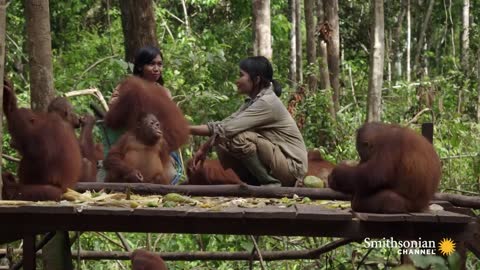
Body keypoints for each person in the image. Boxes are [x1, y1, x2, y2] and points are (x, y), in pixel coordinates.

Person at [189, 56, 308, 187]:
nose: (237, 81)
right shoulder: (253, 101)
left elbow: (227, 130)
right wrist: (190, 133)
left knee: (239, 137)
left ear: (256, 79)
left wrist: (200, 145)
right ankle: (253, 182)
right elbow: (223, 125)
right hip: (279, 161)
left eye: (241, 75)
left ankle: (270, 183)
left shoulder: (267, 102)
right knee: (221, 141)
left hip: (293, 168)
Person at [102, 45, 182, 184]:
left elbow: (171, 124)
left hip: (156, 144)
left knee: (167, 175)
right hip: (132, 140)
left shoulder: (164, 92)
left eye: (159, 64)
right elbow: (113, 114)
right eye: (151, 64)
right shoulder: (127, 87)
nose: (156, 69)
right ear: (140, 67)